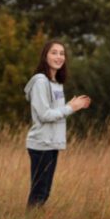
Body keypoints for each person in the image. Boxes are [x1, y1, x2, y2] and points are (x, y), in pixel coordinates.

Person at [23, 40, 90, 207]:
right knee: (39, 193)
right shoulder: (40, 82)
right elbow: (45, 115)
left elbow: (57, 113)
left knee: (45, 192)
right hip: (41, 144)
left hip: (52, 144)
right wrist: (70, 108)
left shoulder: (56, 83)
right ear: (45, 56)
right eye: (54, 52)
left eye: (62, 53)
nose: (58, 57)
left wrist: (72, 106)